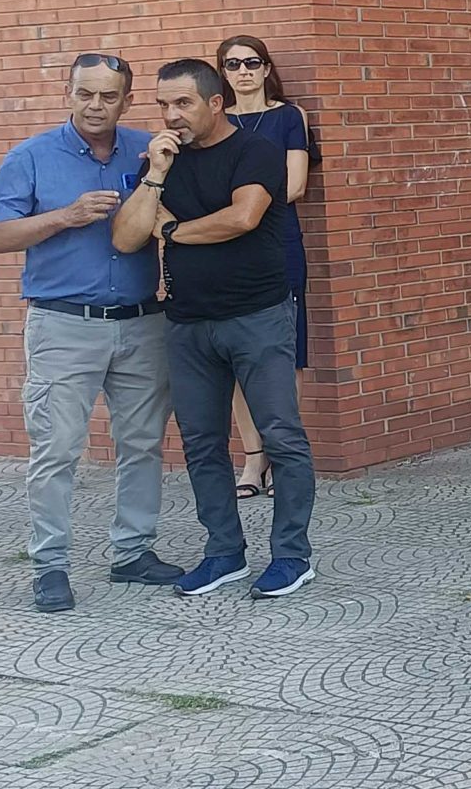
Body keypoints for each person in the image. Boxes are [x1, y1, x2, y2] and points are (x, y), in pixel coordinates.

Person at [0, 53, 186, 612]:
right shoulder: (31, 156)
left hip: (142, 321)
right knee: (57, 449)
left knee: (142, 443)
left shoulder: (147, 150)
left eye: (109, 96)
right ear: (68, 93)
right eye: (85, 93)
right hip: (64, 324)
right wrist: (64, 217)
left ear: (127, 100)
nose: (96, 106)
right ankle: (50, 565)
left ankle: (133, 552)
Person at [112, 59, 317, 598]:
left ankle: (292, 555)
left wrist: (172, 231)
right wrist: (155, 174)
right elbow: (127, 238)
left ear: (215, 103)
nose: (171, 115)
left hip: (257, 316)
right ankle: (224, 552)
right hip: (187, 322)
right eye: (163, 104)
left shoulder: (256, 151)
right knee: (201, 442)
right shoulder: (163, 161)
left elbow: (242, 218)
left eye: (183, 103)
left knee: (281, 436)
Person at [215, 35, 313, 499]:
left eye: (252, 63)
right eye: (232, 64)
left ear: (267, 68)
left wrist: (239, 202)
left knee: (285, 350)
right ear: (222, 72)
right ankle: (254, 457)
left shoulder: (288, 117)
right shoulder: (216, 121)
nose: (243, 72)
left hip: (278, 242)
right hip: (225, 246)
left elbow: (294, 186)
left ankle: (283, 455)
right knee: (237, 353)